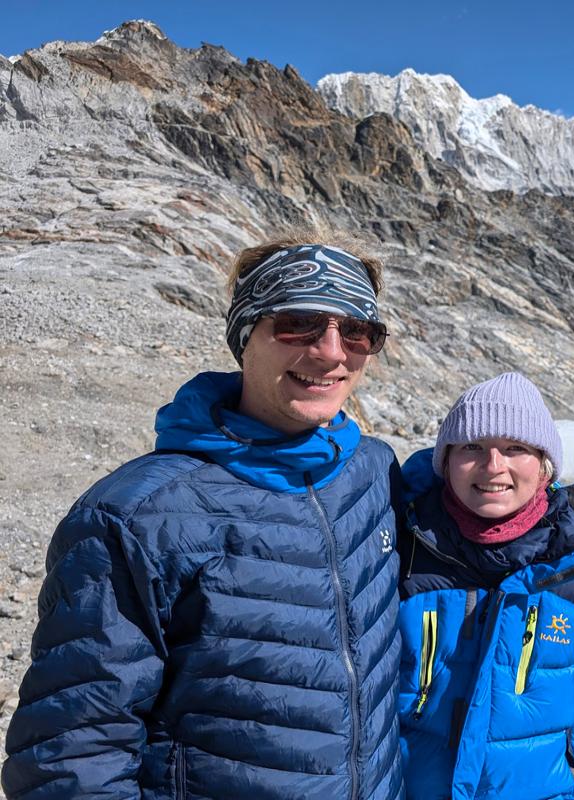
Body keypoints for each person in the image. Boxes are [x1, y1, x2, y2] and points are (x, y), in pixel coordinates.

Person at [2, 234, 408, 800]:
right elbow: (76, 747)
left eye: (358, 331)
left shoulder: (373, 472)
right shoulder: (138, 515)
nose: (331, 352)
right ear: (246, 338)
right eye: (299, 324)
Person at [396, 372, 574, 800]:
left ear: (544, 466)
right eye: (472, 446)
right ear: (445, 460)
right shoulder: (402, 553)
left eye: (515, 448)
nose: (493, 466)